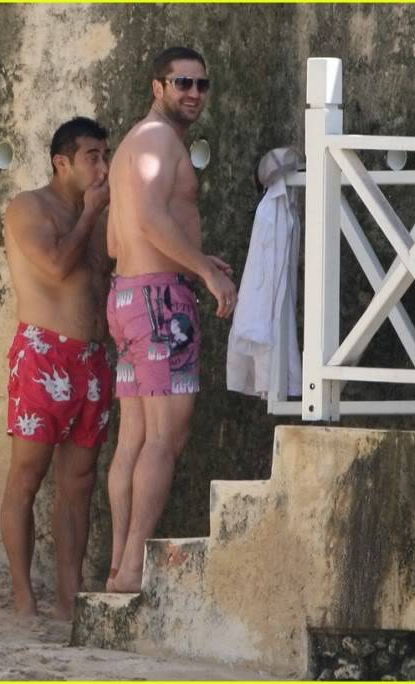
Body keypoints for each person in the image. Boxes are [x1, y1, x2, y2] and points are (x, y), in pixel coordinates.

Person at [104, 46, 237, 593]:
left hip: (131, 297)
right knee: (165, 438)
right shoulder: (158, 140)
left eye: (203, 84)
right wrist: (204, 271)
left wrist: (192, 260)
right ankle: (134, 569)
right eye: (183, 82)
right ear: (157, 85)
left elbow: (118, 237)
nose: (194, 93)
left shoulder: (134, 143)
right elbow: (152, 218)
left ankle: (118, 566)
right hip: (161, 304)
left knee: (134, 439)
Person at [0, 117, 114, 619]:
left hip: (91, 359)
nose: (102, 167)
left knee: (81, 482)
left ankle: (69, 601)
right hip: (44, 353)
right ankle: (24, 598)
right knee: (27, 474)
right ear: (61, 162)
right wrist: (90, 216)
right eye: (93, 156)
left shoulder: (100, 213)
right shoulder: (30, 207)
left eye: (105, 155)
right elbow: (54, 267)